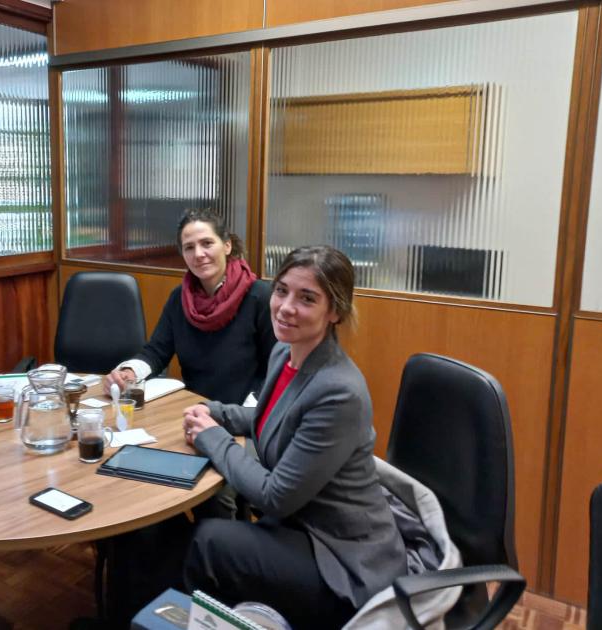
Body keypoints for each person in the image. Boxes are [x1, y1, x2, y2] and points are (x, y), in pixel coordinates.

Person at [180, 246, 407, 629]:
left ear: (334, 312)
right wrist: (217, 412)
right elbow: (271, 418)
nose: (285, 306)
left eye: (307, 298)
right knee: (187, 536)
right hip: (300, 529)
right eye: (281, 290)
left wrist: (212, 437)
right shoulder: (285, 353)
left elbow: (275, 496)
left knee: (209, 541)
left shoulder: (339, 391)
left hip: (343, 559)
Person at [104, 208, 276, 405]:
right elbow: (156, 352)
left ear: (227, 246)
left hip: (246, 414)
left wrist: (246, 414)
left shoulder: (260, 297)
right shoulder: (180, 298)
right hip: (194, 411)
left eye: (207, 243)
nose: (199, 254)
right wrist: (128, 373)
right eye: (189, 247)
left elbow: (277, 369)